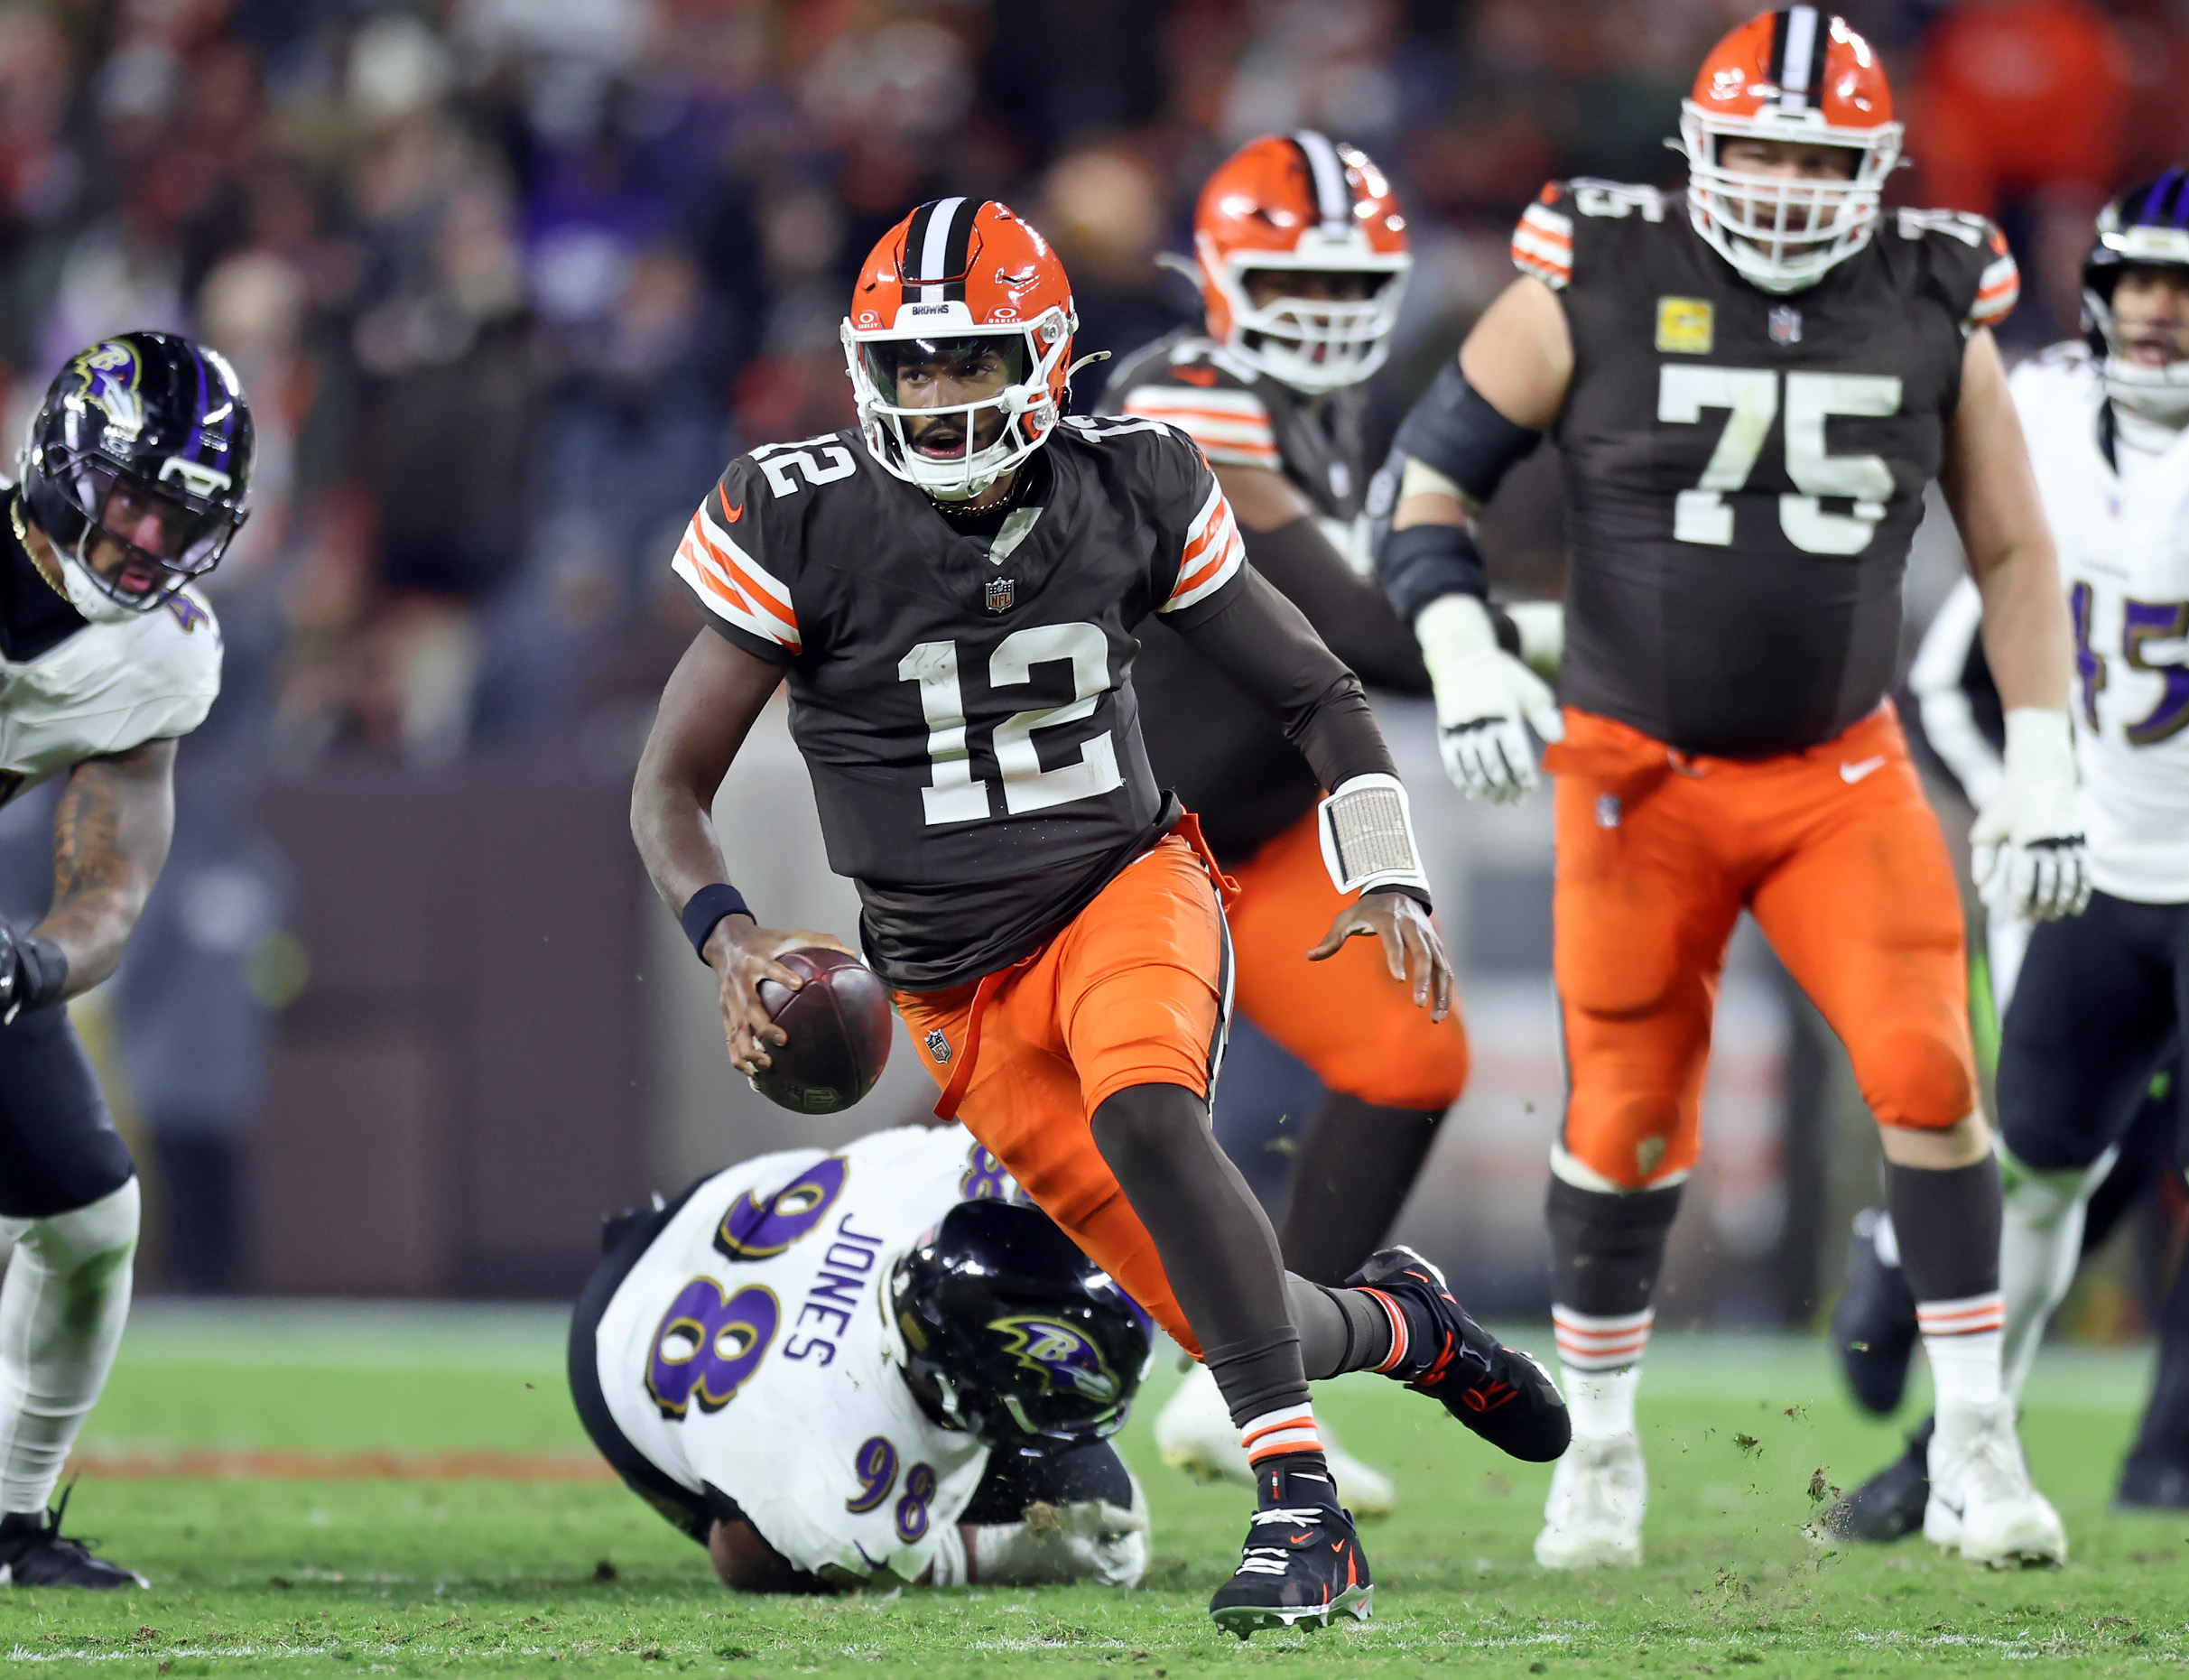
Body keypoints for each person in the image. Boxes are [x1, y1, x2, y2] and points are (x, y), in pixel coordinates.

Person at [628, 198, 1567, 1636]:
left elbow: (1319, 691)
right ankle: (1403, 1322)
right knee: (1235, 1316)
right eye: (915, 365)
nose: (939, 398)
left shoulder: (1132, 479)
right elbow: (668, 785)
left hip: (1125, 884)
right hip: (953, 988)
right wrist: (732, 936)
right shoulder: (800, 513)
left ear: (1051, 357)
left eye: (972, 360)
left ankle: (1301, 1522)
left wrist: (1383, 860)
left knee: (1145, 1105)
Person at [1377, 9, 2089, 1570]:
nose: (1775, 183)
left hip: (1843, 770)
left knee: (1926, 1070)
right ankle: (1604, 1450)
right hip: (1639, 771)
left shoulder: (1929, 297)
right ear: (1694, 155)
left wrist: (2045, 756)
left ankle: (1976, 1441)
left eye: (1813, 159)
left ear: (1880, 177)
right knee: (1628, 1115)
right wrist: (1465, 645)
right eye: (1753, 150)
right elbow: (1427, 485)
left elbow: (2017, 548)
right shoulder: (1598, 273)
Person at [1829, 168, 2189, 1532]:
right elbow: (1965, 652)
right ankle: (1962, 1456)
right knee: (2028, 1172)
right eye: (2139, 279)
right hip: (2087, 864)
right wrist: (2018, 799)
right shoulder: (2034, 408)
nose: (2156, 309)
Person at [1106, 132, 1537, 1515]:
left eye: (1351, 281)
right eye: (1291, 277)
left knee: (1406, 1052)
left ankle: (1240, 1386)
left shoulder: (1324, 411)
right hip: (1112, 850)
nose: (1324, 308)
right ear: (1214, 277)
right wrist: (1543, 646)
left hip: (1261, 833)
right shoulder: (1182, 393)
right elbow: (1350, 632)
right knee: (1045, 1149)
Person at [0, 331, 250, 1588]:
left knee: (87, 1215)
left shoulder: (162, 652)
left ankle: (11, 1523)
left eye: (181, 518)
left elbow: (111, 885)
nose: (150, 541)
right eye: (133, 499)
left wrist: (32, 969)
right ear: (61, 463)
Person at [570, 1124, 1155, 1592]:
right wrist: (974, 1554)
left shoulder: (956, 1179)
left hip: (715, 1214)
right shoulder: (831, 1481)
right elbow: (742, 1556)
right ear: (966, 1390)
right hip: (614, 1348)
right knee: (1107, 1532)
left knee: (1101, 1496)